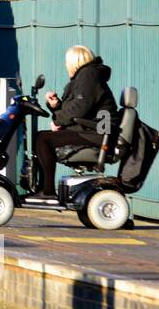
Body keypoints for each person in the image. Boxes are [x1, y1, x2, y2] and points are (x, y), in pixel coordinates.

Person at [33, 45, 118, 199]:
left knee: (43, 139)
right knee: (42, 137)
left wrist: (58, 120)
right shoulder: (86, 77)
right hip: (90, 129)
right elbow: (75, 107)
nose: (66, 66)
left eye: (67, 62)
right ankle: (44, 190)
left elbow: (79, 109)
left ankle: (48, 191)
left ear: (74, 62)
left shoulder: (88, 77)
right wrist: (56, 105)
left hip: (94, 133)